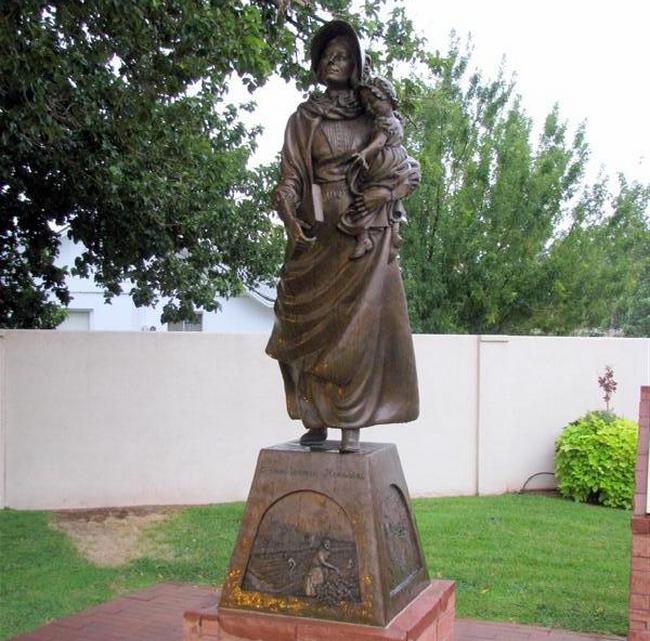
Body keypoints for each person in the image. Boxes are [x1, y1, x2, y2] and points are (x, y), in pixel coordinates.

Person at [266, 20, 420, 453]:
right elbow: (291, 176)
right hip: (316, 236)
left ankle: (350, 420)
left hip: (362, 235)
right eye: (329, 54)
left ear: (358, 64)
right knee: (297, 324)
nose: (336, 61)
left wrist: (383, 195)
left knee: (358, 328)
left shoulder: (373, 116)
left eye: (345, 54)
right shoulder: (304, 119)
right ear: (317, 63)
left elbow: (404, 164)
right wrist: (288, 215)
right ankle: (315, 416)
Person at [339, 75, 416, 262]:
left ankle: (364, 237)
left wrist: (364, 154)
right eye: (367, 104)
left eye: (373, 101)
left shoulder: (385, 123)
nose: (370, 108)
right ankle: (394, 233)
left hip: (385, 167)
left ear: (389, 99)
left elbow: (378, 143)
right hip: (390, 168)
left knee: (364, 201)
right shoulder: (393, 122)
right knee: (385, 203)